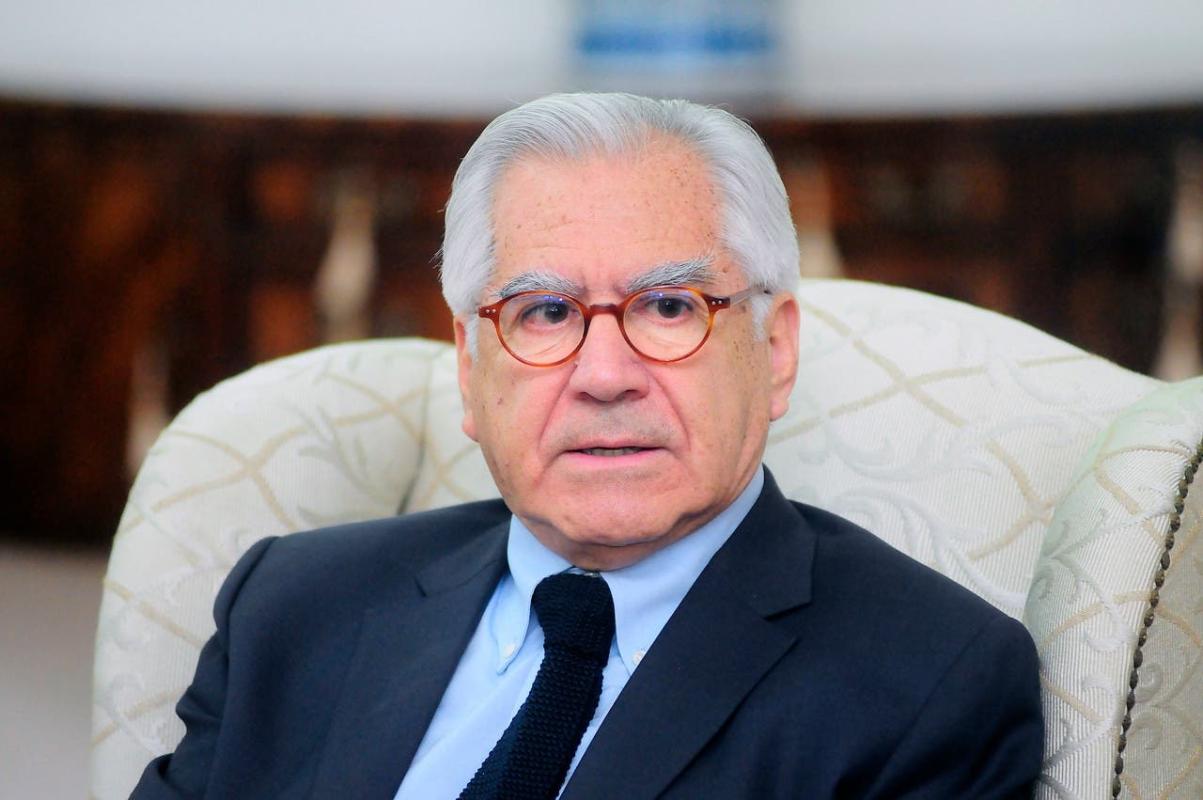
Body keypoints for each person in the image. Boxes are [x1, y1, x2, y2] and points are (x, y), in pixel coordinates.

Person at [132, 93, 1043, 799]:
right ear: (470, 369)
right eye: (544, 312)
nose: (604, 374)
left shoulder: (931, 684)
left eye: (669, 306)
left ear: (773, 351)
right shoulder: (291, 607)